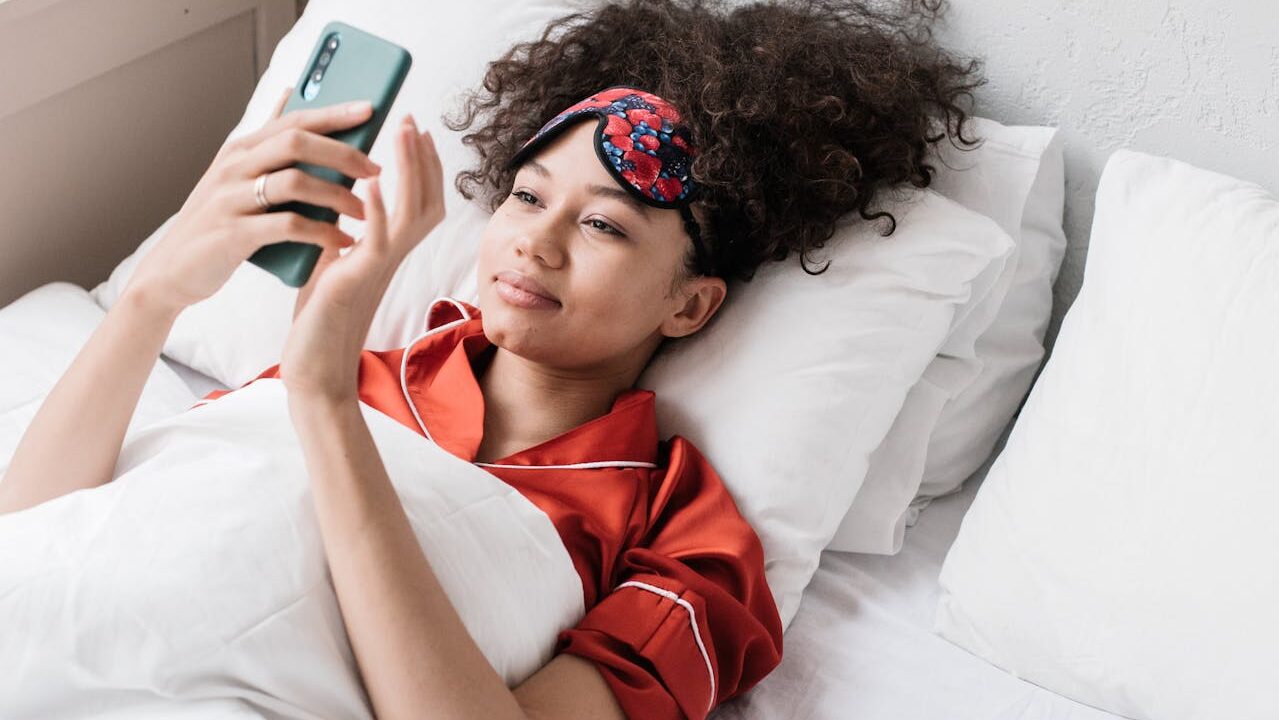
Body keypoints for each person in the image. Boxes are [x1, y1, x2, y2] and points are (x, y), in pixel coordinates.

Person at [0, 1, 985, 718]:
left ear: (690, 302)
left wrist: (322, 402)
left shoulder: (692, 546)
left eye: (601, 223)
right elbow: (40, 537)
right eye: (524, 197)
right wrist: (154, 295)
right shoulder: (368, 367)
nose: (534, 242)